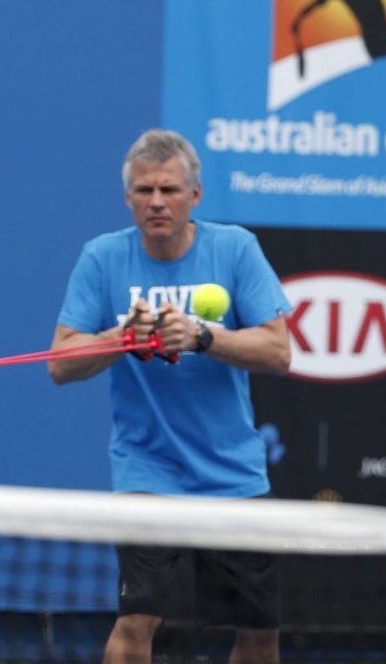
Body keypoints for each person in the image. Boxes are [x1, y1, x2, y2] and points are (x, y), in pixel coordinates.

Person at [47, 129, 291, 664]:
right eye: (144, 190)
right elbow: (60, 365)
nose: (156, 201)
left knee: (258, 634)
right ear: (129, 197)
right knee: (135, 623)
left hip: (233, 475)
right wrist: (119, 338)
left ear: (195, 196)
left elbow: (278, 352)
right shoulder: (102, 258)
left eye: (170, 190)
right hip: (147, 472)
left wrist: (205, 337)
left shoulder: (234, 248)